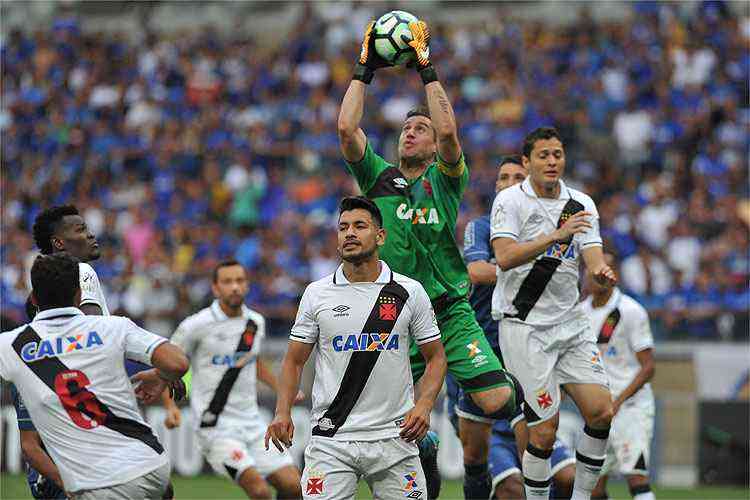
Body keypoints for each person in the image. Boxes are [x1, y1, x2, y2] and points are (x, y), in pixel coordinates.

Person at [338, 20, 518, 498]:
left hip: (449, 309)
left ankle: (517, 384)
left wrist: (426, 68)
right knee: (404, 437)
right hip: (397, 316)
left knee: (498, 399)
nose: (412, 134)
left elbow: (450, 130)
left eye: (421, 129)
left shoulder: (445, 179)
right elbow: (345, 127)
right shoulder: (378, 177)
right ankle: (429, 446)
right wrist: (364, 69)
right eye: (407, 129)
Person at [265, 196, 447, 499]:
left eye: (359, 226)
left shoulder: (408, 291)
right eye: (343, 227)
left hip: (394, 436)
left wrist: (425, 405)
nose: (349, 233)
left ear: (380, 236)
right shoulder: (317, 294)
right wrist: (282, 412)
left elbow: (436, 358)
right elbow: (294, 361)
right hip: (332, 437)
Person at [16, 205, 178, 500]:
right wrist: (162, 369)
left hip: (57, 436)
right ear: (59, 243)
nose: (91, 234)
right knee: (158, 487)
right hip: (89, 445)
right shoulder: (82, 272)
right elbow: (94, 334)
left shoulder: (40, 290)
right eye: (79, 230)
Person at [491, 127, 617, 500]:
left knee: (601, 412)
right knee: (544, 432)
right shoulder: (510, 201)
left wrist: (600, 273)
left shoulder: (581, 202)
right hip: (525, 328)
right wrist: (554, 236)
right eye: (544, 155)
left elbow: (592, 254)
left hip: (570, 324)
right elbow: (504, 257)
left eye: (557, 154)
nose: (552, 161)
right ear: (527, 162)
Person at [454, 155, 576, 499]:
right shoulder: (482, 226)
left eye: (516, 177)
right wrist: (525, 272)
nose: (508, 182)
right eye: (502, 177)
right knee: (473, 457)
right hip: (485, 355)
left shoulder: (544, 231)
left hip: (529, 353)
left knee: (551, 475)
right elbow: (476, 271)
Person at [168, 259, 303, 499]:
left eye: (239, 281)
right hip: (216, 428)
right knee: (260, 492)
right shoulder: (196, 325)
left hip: (252, 422)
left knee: (295, 487)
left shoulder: (255, 322)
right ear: (215, 288)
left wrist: (283, 389)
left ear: (247, 285)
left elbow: (253, 361)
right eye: (227, 282)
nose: (234, 287)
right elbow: (167, 364)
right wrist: (170, 407)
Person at [582, 253, 656, 500]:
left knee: (636, 478)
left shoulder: (631, 311)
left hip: (629, 409)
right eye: (592, 269)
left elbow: (648, 368)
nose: (596, 275)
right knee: (593, 486)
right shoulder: (579, 313)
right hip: (597, 412)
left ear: (614, 276)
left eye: (604, 270)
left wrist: (618, 402)